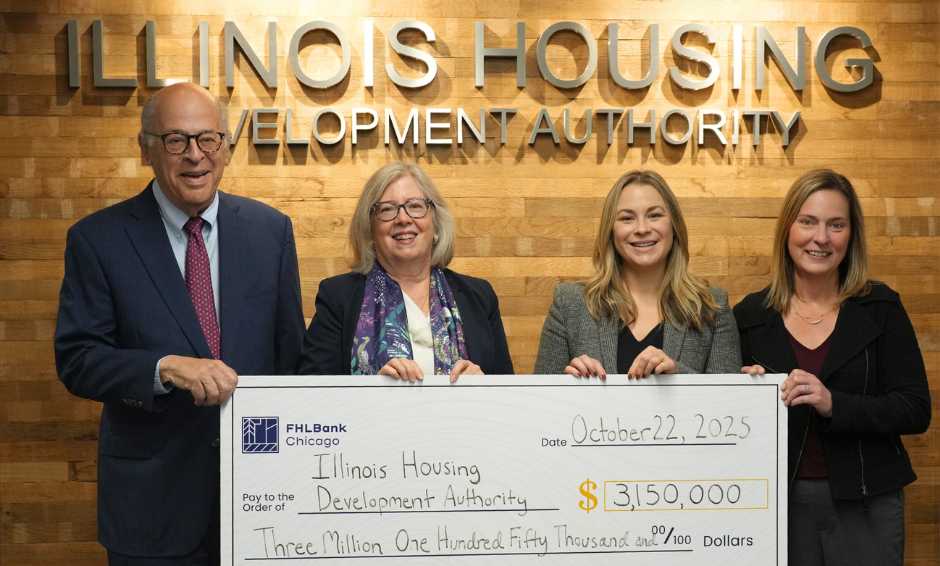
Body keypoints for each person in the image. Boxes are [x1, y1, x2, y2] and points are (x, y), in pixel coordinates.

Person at [54, 82, 305, 565]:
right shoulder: (97, 239)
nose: (195, 155)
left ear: (227, 148)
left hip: (262, 500)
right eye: (176, 140)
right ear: (146, 148)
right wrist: (164, 368)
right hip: (152, 507)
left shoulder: (271, 231)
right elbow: (78, 359)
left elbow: (292, 359)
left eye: (208, 139)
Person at [734, 169, 930, 565]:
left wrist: (833, 404)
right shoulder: (749, 315)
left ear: (850, 235)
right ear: (788, 230)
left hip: (868, 502)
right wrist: (744, 396)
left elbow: (915, 408)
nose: (820, 237)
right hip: (774, 504)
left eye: (835, 225)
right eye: (807, 221)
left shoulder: (881, 307)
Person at [298, 161, 513, 380]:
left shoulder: (479, 296)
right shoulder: (338, 297)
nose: (403, 219)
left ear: (435, 222)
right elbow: (311, 395)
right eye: (387, 209)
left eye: (416, 206)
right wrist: (372, 390)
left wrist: (485, 385)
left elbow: (509, 395)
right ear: (370, 229)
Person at [534, 170, 740, 377]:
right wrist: (569, 385)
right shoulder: (569, 304)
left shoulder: (712, 307)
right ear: (611, 231)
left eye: (655, 215)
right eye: (627, 218)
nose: (642, 228)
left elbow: (728, 403)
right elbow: (539, 402)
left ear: (674, 226)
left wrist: (678, 376)